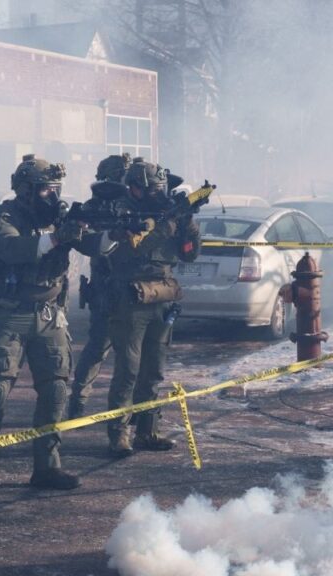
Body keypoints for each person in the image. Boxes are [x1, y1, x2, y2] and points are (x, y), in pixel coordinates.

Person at [0, 154, 115, 492]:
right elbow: (13, 249)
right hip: (10, 314)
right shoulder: (2, 216)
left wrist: (116, 231)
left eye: (56, 188)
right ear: (26, 190)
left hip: (49, 315)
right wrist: (58, 237)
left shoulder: (60, 217)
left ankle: (47, 466)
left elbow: (95, 247)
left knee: (55, 390)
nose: (53, 196)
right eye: (46, 189)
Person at [105, 158, 201, 457]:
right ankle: (119, 434)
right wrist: (168, 223)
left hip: (163, 297)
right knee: (128, 370)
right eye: (153, 189)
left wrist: (187, 222)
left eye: (161, 189)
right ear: (135, 188)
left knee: (154, 371)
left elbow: (190, 255)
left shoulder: (166, 213)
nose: (158, 195)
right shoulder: (122, 212)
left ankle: (147, 431)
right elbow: (137, 248)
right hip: (131, 299)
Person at [67, 153, 131, 418]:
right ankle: (78, 402)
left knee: (132, 355)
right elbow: (89, 242)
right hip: (105, 286)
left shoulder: (134, 204)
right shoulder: (95, 207)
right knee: (97, 349)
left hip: (133, 287)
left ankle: (131, 410)